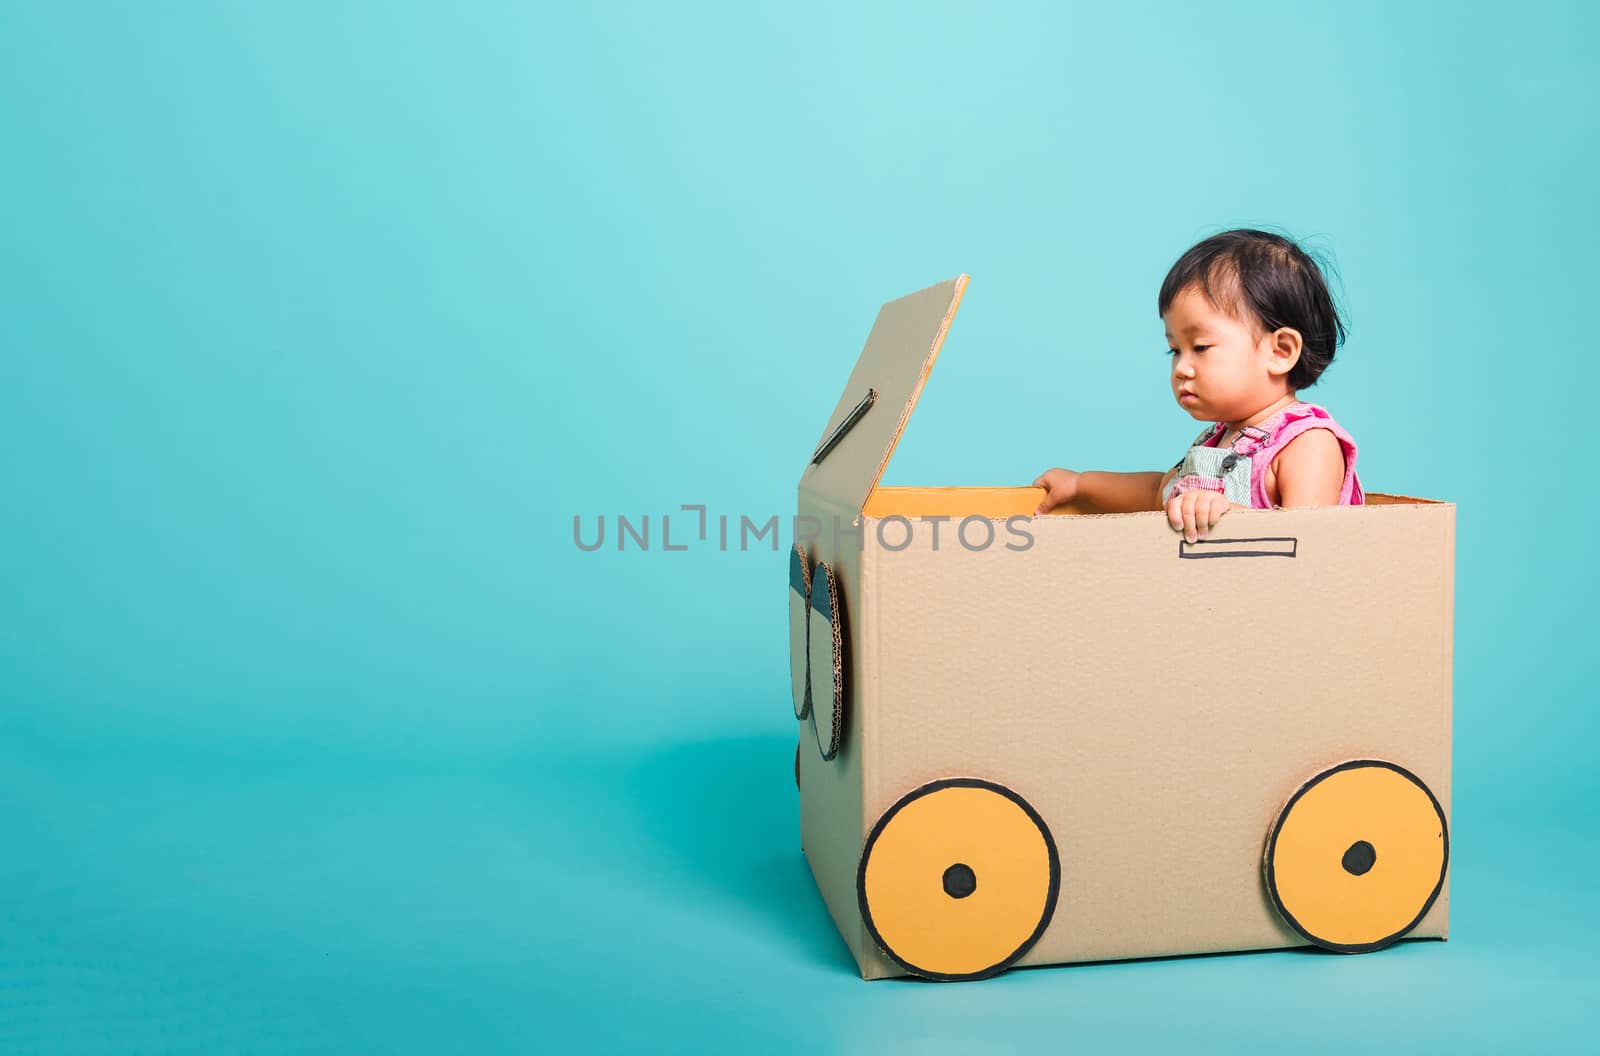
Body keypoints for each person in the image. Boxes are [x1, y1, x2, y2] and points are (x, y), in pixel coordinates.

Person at [1033, 229, 1363, 543]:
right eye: (1175, 350)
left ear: (1280, 351)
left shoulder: (1308, 443)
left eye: (1201, 347)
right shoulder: (1218, 440)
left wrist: (1228, 515)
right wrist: (1081, 484)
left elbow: (1311, 543)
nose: (1181, 369)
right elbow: (1154, 493)